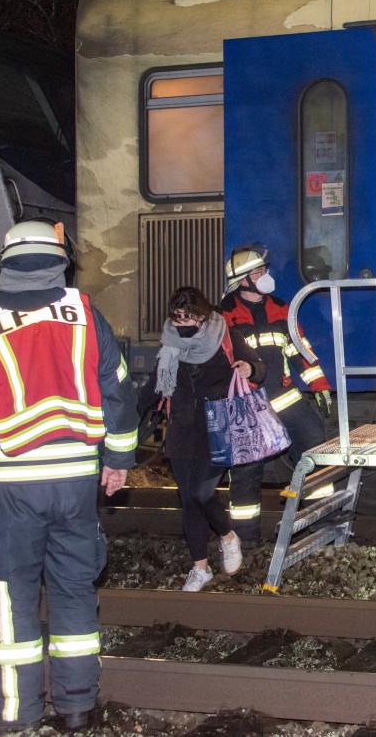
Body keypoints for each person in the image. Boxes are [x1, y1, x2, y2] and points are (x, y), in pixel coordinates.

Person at [0, 221, 139, 733]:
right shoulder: (86, 314)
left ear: (5, 264)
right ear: (59, 262)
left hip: (12, 486)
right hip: (75, 485)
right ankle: (76, 708)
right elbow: (118, 392)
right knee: (74, 591)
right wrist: (117, 460)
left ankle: (14, 712)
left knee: (13, 596)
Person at [137, 286, 264, 591]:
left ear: (204, 316)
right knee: (188, 501)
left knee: (201, 492)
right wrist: (128, 417)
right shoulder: (168, 343)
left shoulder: (225, 335)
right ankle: (200, 568)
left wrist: (250, 368)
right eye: (178, 319)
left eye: (190, 318)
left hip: (217, 427)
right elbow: (155, 384)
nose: (184, 325)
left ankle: (227, 536)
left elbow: (257, 365)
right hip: (181, 429)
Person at [220, 243, 332, 545]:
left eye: (265, 270)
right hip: (248, 407)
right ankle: (246, 540)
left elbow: (299, 350)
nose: (265, 275)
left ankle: (324, 525)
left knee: (315, 456)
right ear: (243, 280)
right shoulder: (224, 316)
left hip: (286, 399)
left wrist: (319, 385)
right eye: (258, 271)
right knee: (246, 474)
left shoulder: (281, 308)